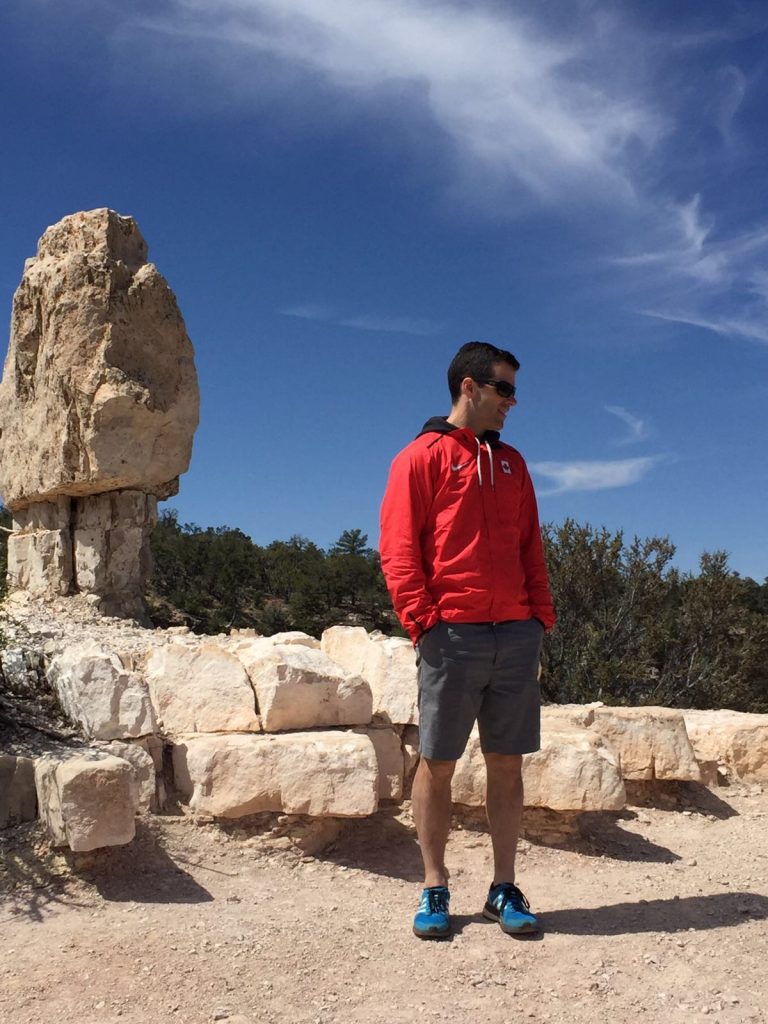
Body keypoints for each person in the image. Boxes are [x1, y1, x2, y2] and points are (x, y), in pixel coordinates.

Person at [379, 340, 555, 939]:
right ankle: (434, 885)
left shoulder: (514, 465)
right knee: (438, 763)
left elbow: (531, 546)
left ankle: (502, 888)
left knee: (507, 764)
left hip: (516, 633)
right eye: (503, 388)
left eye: (513, 390)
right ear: (469, 388)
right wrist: (424, 622)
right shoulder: (420, 458)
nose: (513, 402)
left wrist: (540, 617)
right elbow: (399, 551)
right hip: (450, 634)